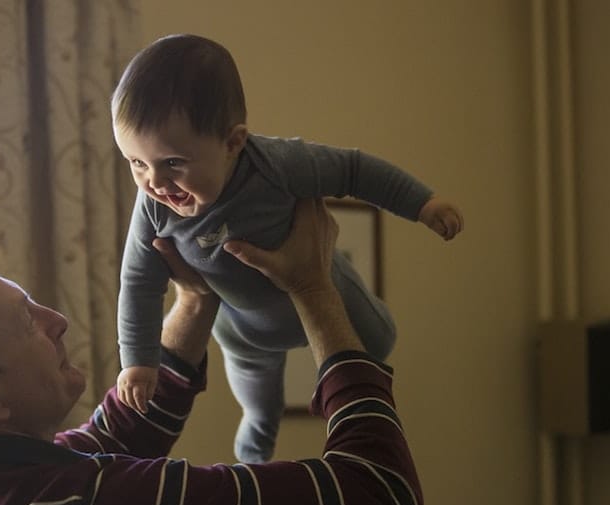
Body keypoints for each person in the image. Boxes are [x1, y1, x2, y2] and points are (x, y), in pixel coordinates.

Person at [0, 199, 423, 505]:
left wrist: (193, 300)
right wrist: (313, 287)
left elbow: (115, 435)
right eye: (26, 322)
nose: (57, 320)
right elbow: (377, 492)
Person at [113, 33, 463, 463]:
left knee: (380, 341)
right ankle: (254, 456)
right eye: (136, 162)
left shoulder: (277, 165)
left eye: (173, 163)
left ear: (232, 143)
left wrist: (423, 204)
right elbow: (138, 283)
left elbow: (354, 170)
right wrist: (138, 361)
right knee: (259, 406)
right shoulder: (153, 207)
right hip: (243, 330)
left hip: (324, 287)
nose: (155, 183)